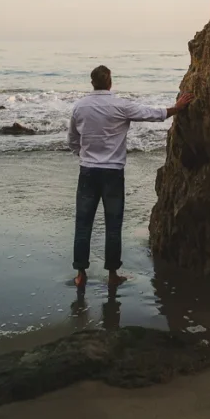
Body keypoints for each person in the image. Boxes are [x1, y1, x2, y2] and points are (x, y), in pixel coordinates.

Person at [67, 64, 192, 290]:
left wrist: (84, 156)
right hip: (113, 173)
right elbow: (151, 114)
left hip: (88, 172)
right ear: (109, 82)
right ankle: (113, 274)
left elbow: (72, 140)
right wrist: (177, 108)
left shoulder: (80, 107)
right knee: (113, 224)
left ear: (92, 82)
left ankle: (80, 274)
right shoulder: (120, 105)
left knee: (83, 223)